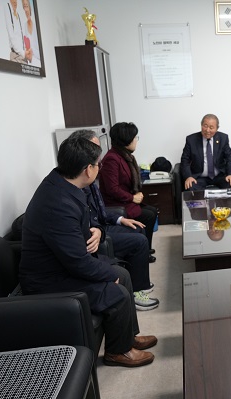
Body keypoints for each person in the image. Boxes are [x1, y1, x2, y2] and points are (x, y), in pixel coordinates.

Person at [19, 135, 158, 368]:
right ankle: (118, 352)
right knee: (117, 291)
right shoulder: (57, 204)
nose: (99, 168)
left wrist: (96, 230)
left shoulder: (62, 182)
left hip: (64, 264)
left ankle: (128, 337)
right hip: (50, 279)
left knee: (122, 274)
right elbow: (78, 263)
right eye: (97, 164)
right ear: (88, 170)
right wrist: (106, 274)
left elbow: (83, 225)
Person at [71, 129, 159, 311]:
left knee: (138, 228)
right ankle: (137, 290)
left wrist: (120, 219)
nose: (99, 155)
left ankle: (139, 284)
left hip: (104, 224)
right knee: (140, 237)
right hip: (98, 234)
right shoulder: (78, 183)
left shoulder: (89, 176)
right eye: (94, 149)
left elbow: (99, 210)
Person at [99, 122, 158, 262]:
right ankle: (143, 250)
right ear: (126, 140)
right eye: (134, 137)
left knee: (152, 211)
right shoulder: (112, 159)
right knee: (148, 215)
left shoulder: (125, 155)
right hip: (116, 205)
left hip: (125, 201)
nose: (136, 140)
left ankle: (146, 247)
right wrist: (132, 197)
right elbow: (112, 189)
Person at [180, 114, 231, 191]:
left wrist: (230, 174)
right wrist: (188, 176)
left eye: (211, 127)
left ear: (217, 128)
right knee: (190, 186)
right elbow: (185, 160)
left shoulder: (223, 138)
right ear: (201, 125)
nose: (207, 130)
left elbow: (229, 157)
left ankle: (223, 203)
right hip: (200, 177)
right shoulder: (191, 140)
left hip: (219, 176)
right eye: (205, 126)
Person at [21, 0, 40, 67]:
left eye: (26, 6)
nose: (26, 10)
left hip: (38, 61)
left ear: (30, 7)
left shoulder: (36, 25)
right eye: (24, 7)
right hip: (31, 63)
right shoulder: (23, 27)